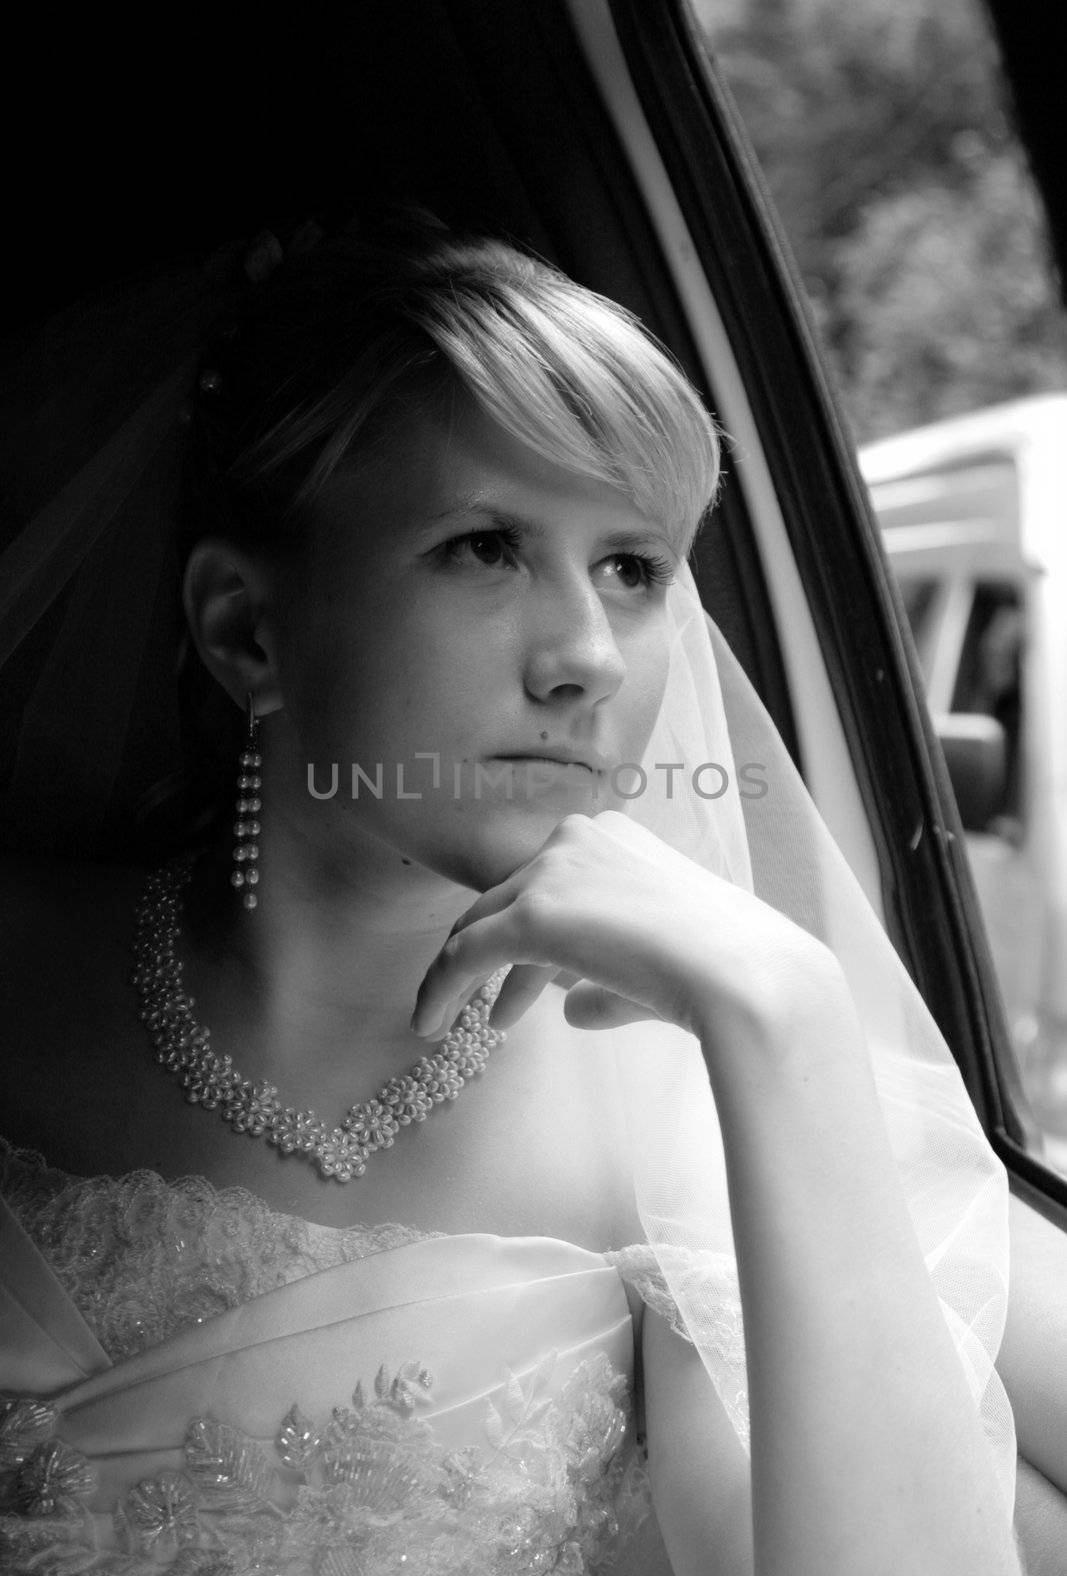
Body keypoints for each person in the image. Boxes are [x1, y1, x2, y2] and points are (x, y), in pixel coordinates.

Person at [0, 220, 1022, 1575]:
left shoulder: (682, 1113)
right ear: (248, 630)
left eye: (633, 568)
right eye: (487, 546)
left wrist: (785, 1006)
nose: (588, 659)